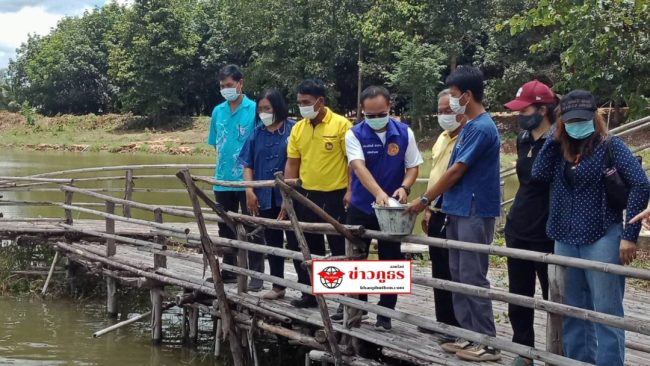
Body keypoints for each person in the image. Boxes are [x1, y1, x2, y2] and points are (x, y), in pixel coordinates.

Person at [532, 90, 649, 366]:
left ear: (594, 117)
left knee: (606, 313)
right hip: (565, 237)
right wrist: (553, 137)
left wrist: (629, 236)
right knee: (572, 311)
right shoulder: (560, 149)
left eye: (581, 120)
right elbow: (538, 175)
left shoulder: (610, 146)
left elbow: (641, 184)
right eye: (570, 120)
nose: (576, 125)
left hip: (602, 236)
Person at [405, 66, 501, 362]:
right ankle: (467, 333)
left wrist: (424, 199)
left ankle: (487, 341)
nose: (454, 102)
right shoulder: (470, 127)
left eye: (456, 96)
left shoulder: (482, 127)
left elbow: (457, 170)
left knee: (473, 274)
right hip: (457, 209)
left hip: (474, 208)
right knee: (457, 273)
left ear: (467, 95)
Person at [330, 85, 422, 330]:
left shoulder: (404, 133)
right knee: (355, 256)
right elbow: (358, 167)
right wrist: (378, 193)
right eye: (370, 115)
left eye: (380, 113)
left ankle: (385, 313)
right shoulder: (354, 134)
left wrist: (404, 187)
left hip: (393, 210)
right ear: (362, 111)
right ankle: (355, 307)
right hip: (362, 205)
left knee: (390, 259)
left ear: (389, 107)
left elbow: (413, 166)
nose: (375, 119)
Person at [502, 80, 557, 366]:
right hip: (518, 226)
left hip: (547, 230)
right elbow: (525, 181)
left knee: (554, 297)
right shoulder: (524, 138)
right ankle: (523, 352)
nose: (520, 115)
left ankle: (555, 353)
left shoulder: (560, 140)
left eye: (525, 109)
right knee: (519, 296)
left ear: (544, 109)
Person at [284, 79, 352, 308]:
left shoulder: (342, 125)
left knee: (339, 248)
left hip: (336, 195)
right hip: (305, 195)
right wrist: (288, 195)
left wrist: (351, 191)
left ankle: (345, 300)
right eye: (299, 102)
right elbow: (292, 163)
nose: (302, 107)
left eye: (306, 102)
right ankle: (310, 293)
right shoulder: (298, 128)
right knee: (306, 245)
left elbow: (353, 162)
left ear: (320, 101)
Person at [207, 64, 263, 289]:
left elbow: (259, 144)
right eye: (222, 86)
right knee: (225, 226)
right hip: (222, 180)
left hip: (248, 180)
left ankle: (257, 276)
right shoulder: (217, 111)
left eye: (229, 85)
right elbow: (215, 143)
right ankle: (229, 270)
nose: (226, 89)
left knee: (253, 226)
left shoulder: (255, 109)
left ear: (241, 84)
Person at [238, 88, 295, 300]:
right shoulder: (257, 133)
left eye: (267, 108)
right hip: (265, 197)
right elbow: (248, 163)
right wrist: (249, 189)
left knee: (297, 241)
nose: (263, 112)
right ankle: (278, 286)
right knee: (272, 242)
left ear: (277, 107)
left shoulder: (294, 129)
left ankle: (308, 290)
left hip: (290, 197)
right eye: (260, 109)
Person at [417, 89, 465, 336]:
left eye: (450, 111)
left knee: (456, 270)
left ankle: (459, 325)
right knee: (439, 268)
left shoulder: (468, 138)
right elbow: (435, 174)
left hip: (455, 213)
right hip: (435, 210)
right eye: (441, 111)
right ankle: (443, 321)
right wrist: (427, 208)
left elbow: (454, 176)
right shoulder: (442, 137)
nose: (445, 115)